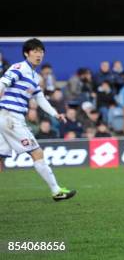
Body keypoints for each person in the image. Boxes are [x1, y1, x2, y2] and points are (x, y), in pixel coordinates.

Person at [0, 39, 76, 200]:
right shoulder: (19, 68)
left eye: (41, 51)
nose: (38, 54)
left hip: (6, 117)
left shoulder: (35, 77)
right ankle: (56, 191)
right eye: (34, 51)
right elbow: (2, 83)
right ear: (26, 53)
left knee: (0, 158)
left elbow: (40, 99)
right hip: (10, 117)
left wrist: (55, 114)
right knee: (37, 152)